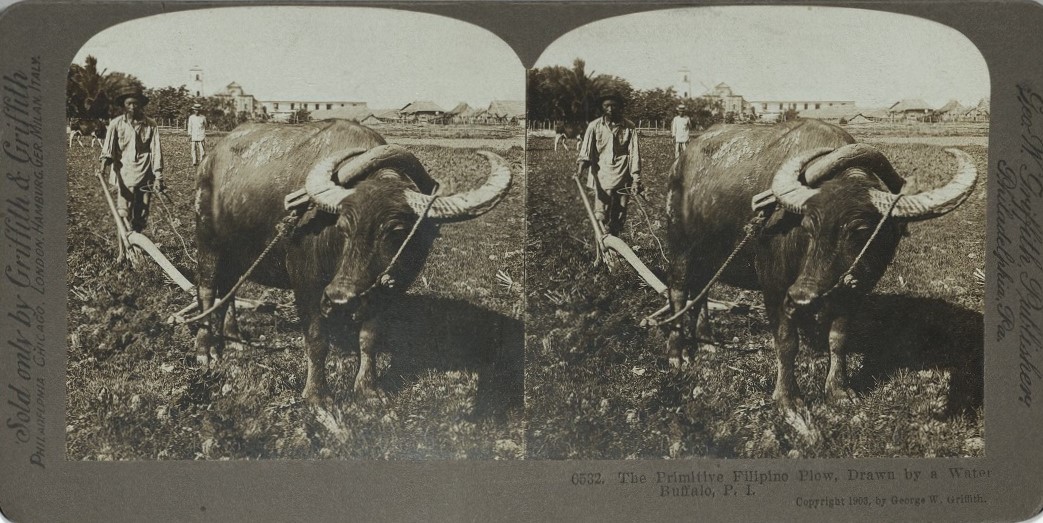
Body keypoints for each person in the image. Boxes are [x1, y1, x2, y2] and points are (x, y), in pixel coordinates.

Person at [99, 84, 163, 238]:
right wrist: (102, 168)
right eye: (129, 103)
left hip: (146, 173)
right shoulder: (116, 124)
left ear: (141, 105)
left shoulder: (151, 125)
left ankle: (137, 243)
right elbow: (107, 150)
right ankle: (123, 249)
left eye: (136, 103)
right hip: (124, 173)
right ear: (124, 106)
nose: (133, 107)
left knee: (141, 212)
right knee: (123, 213)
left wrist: (158, 176)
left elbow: (156, 151)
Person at [577, 91, 641, 237]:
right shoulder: (594, 127)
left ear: (620, 107)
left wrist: (636, 179)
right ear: (602, 107)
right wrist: (580, 171)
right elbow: (585, 152)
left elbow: (634, 154)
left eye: (614, 106)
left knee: (619, 213)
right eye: (607, 106)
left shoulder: (629, 127)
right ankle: (602, 245)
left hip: (623, 174)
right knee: (601, 213)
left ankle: (615, 241)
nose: (610, 109)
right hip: (602, 174)